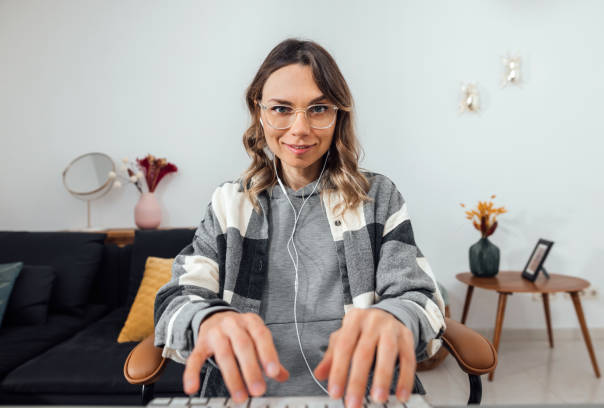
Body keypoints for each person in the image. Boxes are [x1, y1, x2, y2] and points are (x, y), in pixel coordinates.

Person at [153, 38, 445, 408]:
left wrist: (395, 318)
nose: (300, 128)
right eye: (281, 109)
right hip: (244, 398)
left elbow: (422, 298)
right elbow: (174, 300)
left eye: (318, 108)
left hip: (364, 397)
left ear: (338, 114)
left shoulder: (378, 197)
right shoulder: (230, 204)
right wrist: (207, 320)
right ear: (259, 112)